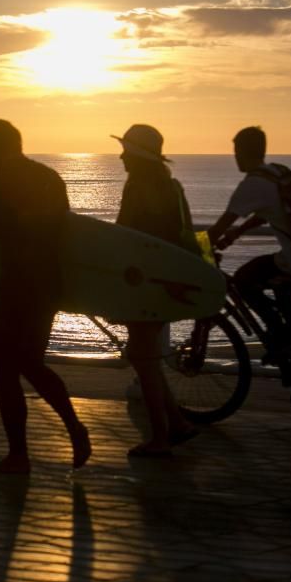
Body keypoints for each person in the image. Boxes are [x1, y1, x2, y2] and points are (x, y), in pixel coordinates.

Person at [0, 119, 91, 474]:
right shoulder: (50, 178)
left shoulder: (2, 184)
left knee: (6, 370)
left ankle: (18, 456)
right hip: (48, 283)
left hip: (17, 284)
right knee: (32, 362)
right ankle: (74, 427)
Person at [206, 126, 291, 397]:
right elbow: (266, 213)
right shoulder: (278, 172)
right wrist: (238, 233)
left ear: (241, 152)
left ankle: (277, 337)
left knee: (243, 279)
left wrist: (196, 246)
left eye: (235, 152)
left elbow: (218, 227)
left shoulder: (253, 184)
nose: (234, 158)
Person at [111, 124, 201, 457]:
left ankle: (161, 438)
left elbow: (125, 234)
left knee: (144, 360)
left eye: (126, 150)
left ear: (136, 155)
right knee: (144, 356)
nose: (121, 155)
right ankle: (177, 424)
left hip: (146, 281)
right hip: (171, 278)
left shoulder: (138, 186)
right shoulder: (171, 186)